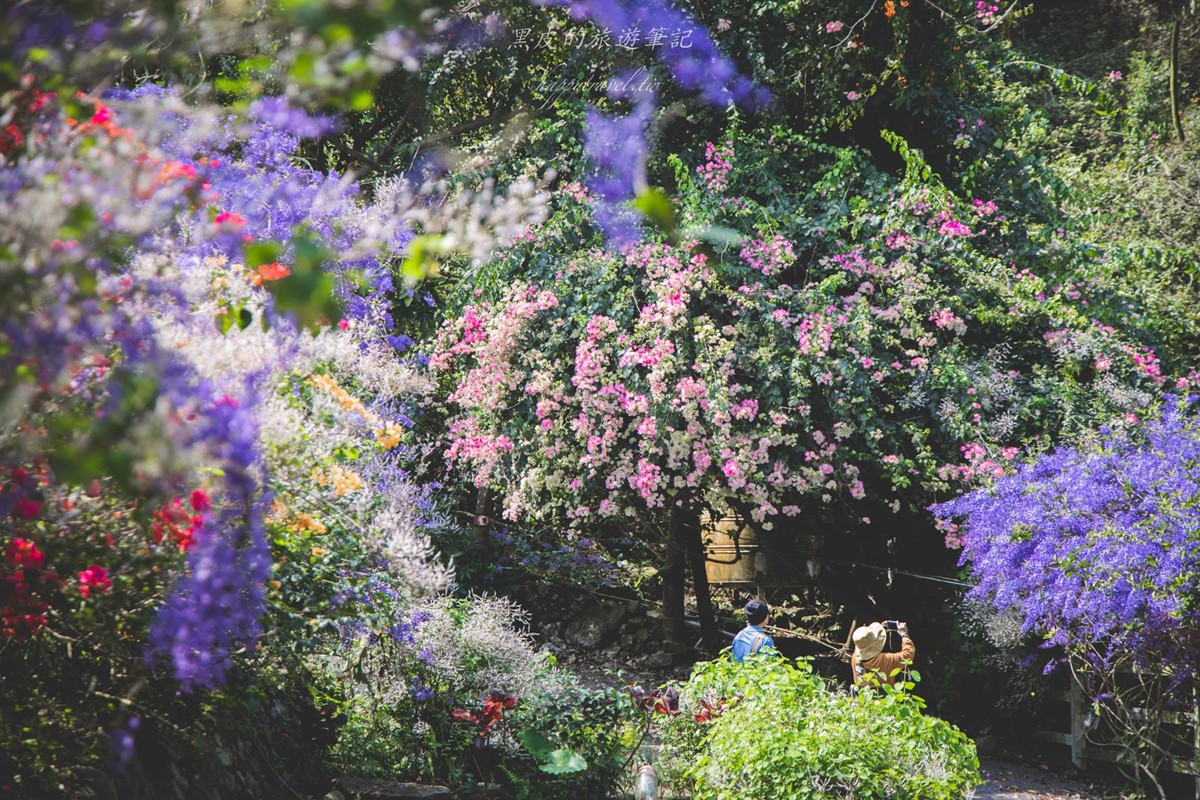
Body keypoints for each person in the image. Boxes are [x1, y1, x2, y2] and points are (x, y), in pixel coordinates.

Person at [850, 621, 915, 689]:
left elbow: (865, 641)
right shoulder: (886, 659)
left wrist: (880, 630)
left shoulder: (855, 657)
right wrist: (904, 634)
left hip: (863, 696)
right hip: (884, 696)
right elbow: (908, 654)